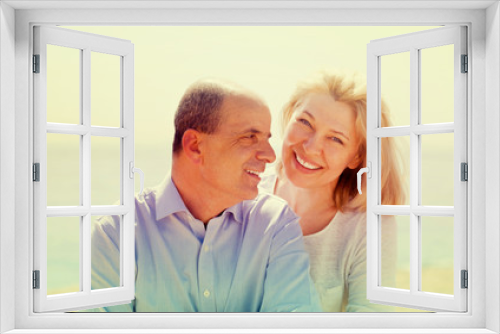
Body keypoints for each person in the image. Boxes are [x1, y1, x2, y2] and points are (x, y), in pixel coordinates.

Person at [88, 79, 321, 312]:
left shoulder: (276, 224)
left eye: (267, 139)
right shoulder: (117, 232)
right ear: (195, 146)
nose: (270, 155)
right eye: (250, 137)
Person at [259, 72, 407, 312]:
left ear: (356, 156)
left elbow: (371, 321)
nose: (311, 147)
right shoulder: (246, 194)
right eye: (305, 122)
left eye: (335, 139)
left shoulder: (368, 226)